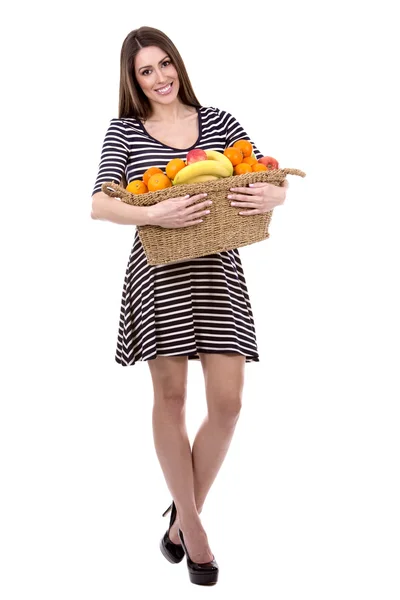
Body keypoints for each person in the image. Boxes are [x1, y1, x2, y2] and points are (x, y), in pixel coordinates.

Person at [91, 26, 288, 586]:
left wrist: (278, 193)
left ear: (178, 64)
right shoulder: (125, 131)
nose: (158, 78)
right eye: (145, 71)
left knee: (228, 405)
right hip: (160, 276)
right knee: (171, 399)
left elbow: (261, 170)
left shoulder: (219, 121)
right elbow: (101, 203)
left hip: (219, 271)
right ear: (133, 81)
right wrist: (153, 214)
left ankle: (179, 517)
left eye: (164, 64)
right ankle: (196, 531)